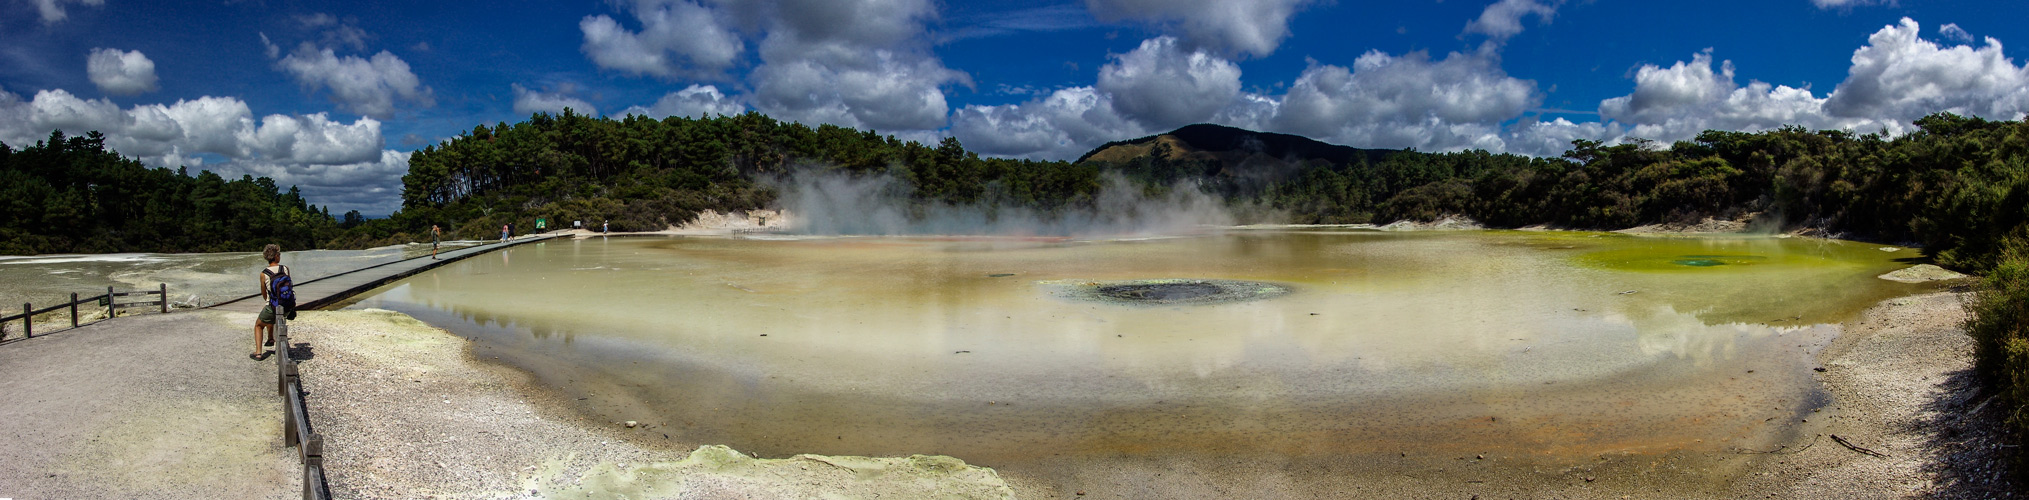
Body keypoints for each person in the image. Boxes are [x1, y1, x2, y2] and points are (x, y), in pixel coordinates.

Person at [252, 244, 286, 360]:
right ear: (276, 256)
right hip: (287, 307)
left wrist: (268, 301)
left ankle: (258, 353)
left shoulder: (264, 273)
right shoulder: (285, 269)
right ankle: (270, 338)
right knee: (269, 316)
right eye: (279, 254)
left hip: (272, 307)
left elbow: (264, 293)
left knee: (258, 325)